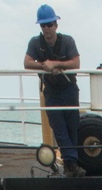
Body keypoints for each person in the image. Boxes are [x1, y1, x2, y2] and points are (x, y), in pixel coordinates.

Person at [24, 5, 81, 175]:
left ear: (56, 24)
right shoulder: (35, 43)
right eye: (43, 25)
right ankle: (71, 164)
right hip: (51, 92)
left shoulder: (67, 41)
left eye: (49, 24)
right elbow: (27, 63)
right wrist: (44, 66)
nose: (47, 28)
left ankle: (72, 162)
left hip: (69, 90)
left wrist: (56, 64)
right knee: (59, 127)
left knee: (72, 127)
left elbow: (76, 63)